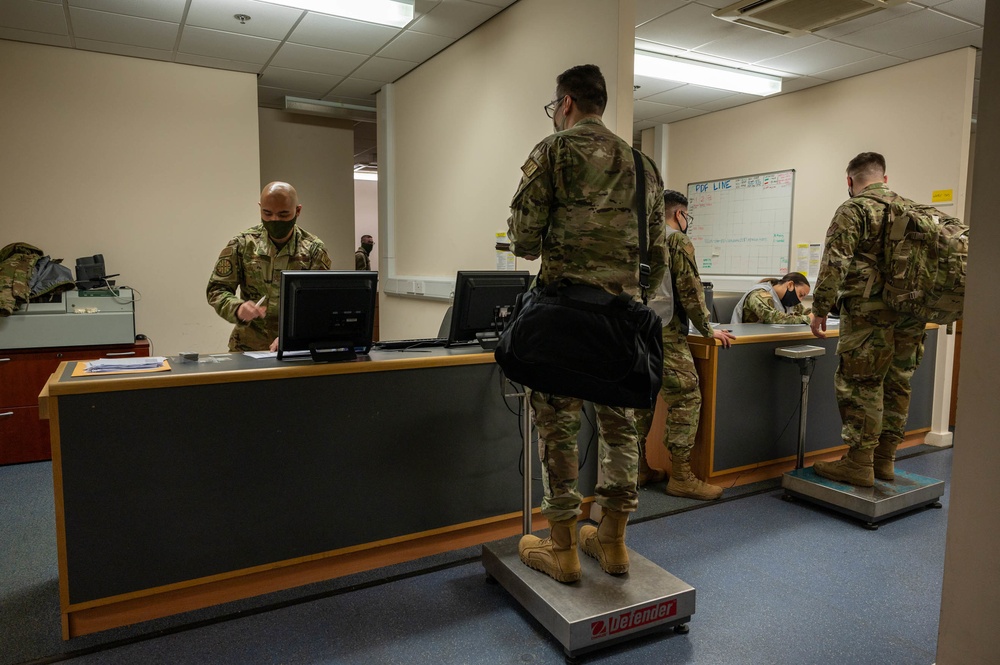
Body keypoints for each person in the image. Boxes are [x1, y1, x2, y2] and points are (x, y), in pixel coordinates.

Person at [507, 64, 667, 583]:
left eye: (555, 107)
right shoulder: (645, 165)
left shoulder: (554, 151)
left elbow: (525, 241)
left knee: (559, 431)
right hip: (621, 323)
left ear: (567, 104)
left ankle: (563, 549)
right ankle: (613, 542)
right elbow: (658, 259)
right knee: (621, 430)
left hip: (563, 319)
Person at [809, 152, 928, 486]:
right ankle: (885, 461)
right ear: (885, 179)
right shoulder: (913, 209)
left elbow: (835, 262)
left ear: (850, 181)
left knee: (863, 384)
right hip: (911, 315)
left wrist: (820, 308)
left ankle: (859, 463)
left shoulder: (854, 209)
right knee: (898, 382)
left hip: (867, 316)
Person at [634, 190, 736, 497]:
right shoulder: (675, 240)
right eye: (686, 216)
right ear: (679, 214)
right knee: (687, 397)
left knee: (640, 399)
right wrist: (707, 329)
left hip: (634, 332)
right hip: (665, 332)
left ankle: (638, 469)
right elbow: (691, 289)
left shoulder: (638, 238)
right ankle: (680, 476)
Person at [207, 181, 332, 352]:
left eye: (283, 215)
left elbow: (321, 302)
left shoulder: (313, 249)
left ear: (298, 211)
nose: (274, 220)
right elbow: (217, 289)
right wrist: (237, 308)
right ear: (260, 208)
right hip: (247, 347)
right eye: (267, 213)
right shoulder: (243, 244)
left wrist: (293, 335)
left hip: (295, 347)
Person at [731, 273, 812, 324]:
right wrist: (807, 319)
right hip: (745, 341)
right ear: (790, 285)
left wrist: (818, 314)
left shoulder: (787, 300)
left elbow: (804, 312)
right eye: (801, 295)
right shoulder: (758, 294)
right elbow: (770, 317)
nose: (800, 300)